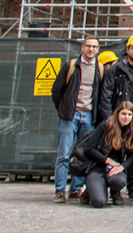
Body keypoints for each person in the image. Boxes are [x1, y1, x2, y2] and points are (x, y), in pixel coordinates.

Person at [98, 33, 133, 200]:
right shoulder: (117, 68)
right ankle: (115, 190)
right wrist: (109, 119)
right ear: (127, 49)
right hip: (119, 118)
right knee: (115, 152)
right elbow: (106, 94)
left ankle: (132, 188)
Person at [51, 36, 102, 203]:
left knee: (83, 154)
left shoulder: (100, 69)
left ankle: (75, 189)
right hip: (70, 116)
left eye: (94, 46)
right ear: (82, 47)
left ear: (98, 49)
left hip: (88, 116)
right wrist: (64, 109)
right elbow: (57, 91)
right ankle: (60, 190)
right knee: (63, 155)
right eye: (88, 46)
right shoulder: (71, 66)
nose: (91, 49)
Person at [77, 101, 133, 208]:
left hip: (115, 169)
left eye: (129, 114)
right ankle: (90, 190)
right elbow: (89, 149)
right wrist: (108, 160)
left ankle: (115, 192)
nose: (126, 117)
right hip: (97, 167)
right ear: (117, 114)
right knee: (99, 202)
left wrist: (122, 167)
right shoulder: (105, 126)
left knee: (119, 181)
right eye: (123, 114)